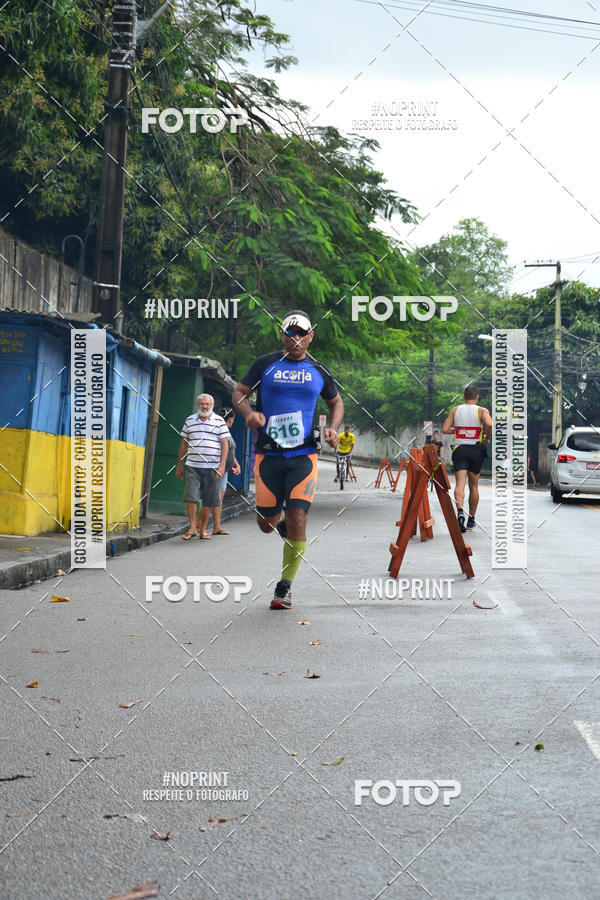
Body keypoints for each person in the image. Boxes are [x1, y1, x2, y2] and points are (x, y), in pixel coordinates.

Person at [231, 309, 343, 609]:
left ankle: (285, 587)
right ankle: (278, 523)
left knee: (298, 517)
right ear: (281, 335)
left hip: (303, 456)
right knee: (266, 524)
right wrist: (248, 413)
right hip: (268, 455)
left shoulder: (318, 370)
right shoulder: (266, 364)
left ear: (310, 336)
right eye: (290, 333)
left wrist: (333, 429)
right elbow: (239, 393)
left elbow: (336, 402)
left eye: (301, 333)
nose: (295, 338)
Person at [176, 393, 229, 540]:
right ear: (197, 405)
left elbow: (225, 445)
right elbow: (184, 443)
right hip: (192, 465)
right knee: (191, 497)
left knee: (209, 499)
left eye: (207, 404)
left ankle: (203, 529)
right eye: (202, 404)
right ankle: (192, 527)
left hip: (212, 467)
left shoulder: (219, 421)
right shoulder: (190, 420)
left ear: (212, 406)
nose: (204, 407)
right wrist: (179, 465)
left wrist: (222, 466)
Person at [441, 386, 492, 532]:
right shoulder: (482, 411)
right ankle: (471, 519)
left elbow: (444, 429)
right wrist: (486, 437)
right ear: (477, 397)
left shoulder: (455, 410)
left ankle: (460, 511)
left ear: (463, 397)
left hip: (460, 450)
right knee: (474, 485)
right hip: (476, 450)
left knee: (460, 484)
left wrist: (457, 430)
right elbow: (489, 424)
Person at [211, 407, 242, 533]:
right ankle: (199, 524)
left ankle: (216, 527)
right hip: (218, 468)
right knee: (213, 497)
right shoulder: (218, 430)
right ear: (231, 419)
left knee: (219, 498)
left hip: (225, 470)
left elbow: (229, 451)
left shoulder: (226, 432)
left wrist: (236, 464)